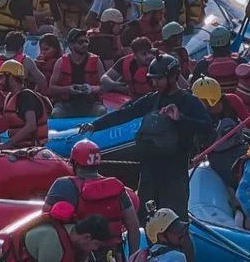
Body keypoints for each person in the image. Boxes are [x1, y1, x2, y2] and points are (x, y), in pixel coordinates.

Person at [82, 54, 213, 218]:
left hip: (175, 173)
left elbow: (208, 128)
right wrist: (96, 124)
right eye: (153, 79)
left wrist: (181, 119)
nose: (154, 83)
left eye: (159, 79)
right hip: (149, 172)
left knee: (175, 219)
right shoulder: (151, 100)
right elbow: (126, 113)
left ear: (173, 77)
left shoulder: (189, 102)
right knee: (145, 217)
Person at [44, 139, 140, 262]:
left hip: (79, 258)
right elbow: (133, 226)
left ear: (74, 162)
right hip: (113, 259)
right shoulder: (116, 187)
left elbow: (45, 218)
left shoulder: (64, 185)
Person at [47, 29, 106, 118]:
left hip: (91, 103)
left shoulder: (96, 61)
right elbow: (51, 88)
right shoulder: (61, 62)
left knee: (101, 111)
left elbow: (105, 86)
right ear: (71, 45)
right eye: (80, 42)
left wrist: (91, 89)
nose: (85, 45)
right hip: (66, 104)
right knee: (56, 114)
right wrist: (68, 89)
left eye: (86, 41)